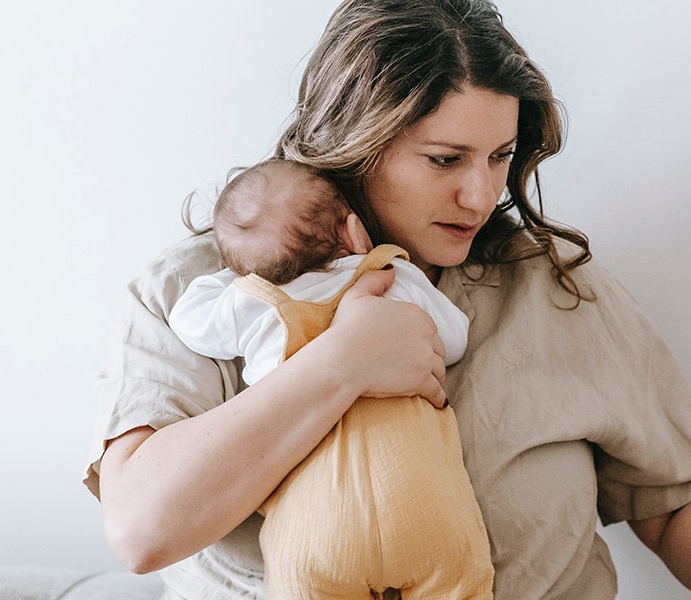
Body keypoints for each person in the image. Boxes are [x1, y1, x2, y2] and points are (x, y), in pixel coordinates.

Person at [84, 1, 691, 599]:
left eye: (501, 156)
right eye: (444, 159)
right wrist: (340, 364)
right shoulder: (202, 292)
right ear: (353, 145)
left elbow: (673, 495)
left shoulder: (557, 291)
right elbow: (143, 529)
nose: (480, 194)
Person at [167, 158, 493, 599]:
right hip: (424, 509)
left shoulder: (255, 302)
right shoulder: (389, 275)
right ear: (355, 232)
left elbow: (188, 320)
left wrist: (246, 272)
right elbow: (453, 339)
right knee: (459, 584)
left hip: (316, 526)